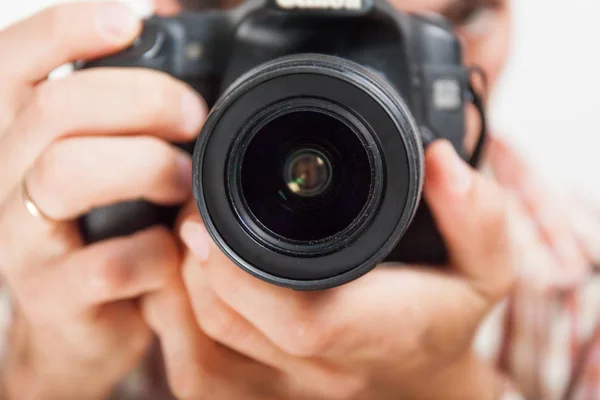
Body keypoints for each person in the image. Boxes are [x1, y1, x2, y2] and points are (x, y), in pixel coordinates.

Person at [0, 0, 597, 399]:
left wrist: (450, 386)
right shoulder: (43, 245)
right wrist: (45, 373)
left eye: (458, 12)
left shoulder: (583, 285)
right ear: (175, 12)